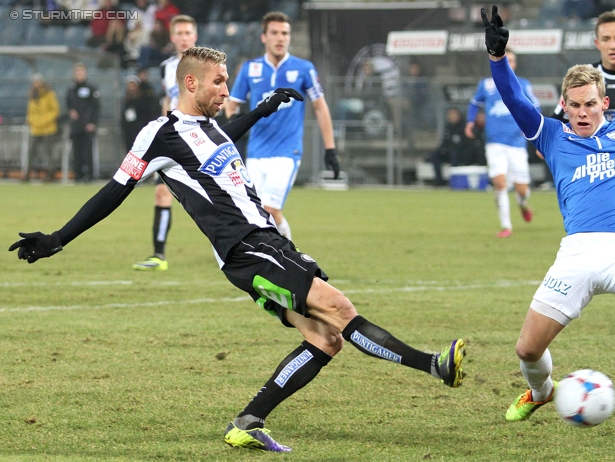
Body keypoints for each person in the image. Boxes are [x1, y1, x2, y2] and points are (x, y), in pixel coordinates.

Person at [8, 46, 467, 453]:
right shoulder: (160, 133)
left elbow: (229, 129)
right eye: (219, 81)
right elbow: (115, 190)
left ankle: (247, 421)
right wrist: (57, 239)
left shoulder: (211, 128)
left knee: (325, 338)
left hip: (269, 242)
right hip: (247, 248)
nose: (226, 88)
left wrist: (263, 110)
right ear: (190, 83)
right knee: (339, 308)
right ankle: (434, 365)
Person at [481, 5, 615, 422]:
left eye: (590, 104)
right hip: (577, 253)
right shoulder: (550, 135)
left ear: (604, 101)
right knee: (527, 350)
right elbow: (514, 98)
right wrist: (497, 59)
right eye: (575, 106)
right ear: (564, 106)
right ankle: (540, 392)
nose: (583, 112)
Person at [551, 10, 615, 343]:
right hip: (593, 180)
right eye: (606, 39)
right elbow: (558, 127)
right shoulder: (582, 83)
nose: (613, 45)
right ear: (597, 43)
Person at [224, 11, 340, 241]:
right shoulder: (250, 69)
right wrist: (237, 119)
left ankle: (289, 252)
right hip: (256, 152)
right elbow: (231, 106)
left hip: (287, 151)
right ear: (263, 37)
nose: (281, 38)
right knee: (256, 213)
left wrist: (331, 149)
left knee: (271, 209)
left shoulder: (304, 68)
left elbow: (320, 107)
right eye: (275, 33)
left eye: (285, 33)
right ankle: (274, 252)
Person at [132, 14, 198, 271]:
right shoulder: (167, 67)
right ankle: (158, 255)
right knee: (161, 193)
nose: (183, 37)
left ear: (195, 36)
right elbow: (168, 102)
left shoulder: (205, 65)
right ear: (172, 37)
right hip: (173, 140)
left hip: (198, 140)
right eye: (179, 33)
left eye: (187, 33)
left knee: (214, 199)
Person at [465, 48, 540, 238]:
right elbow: (475, 103)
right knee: (499, 183)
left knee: (521, 188)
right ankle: (506, 226)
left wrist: (530, 125)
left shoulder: (522, 84)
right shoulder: (487, 84)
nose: (509, 64)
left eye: (512, 61)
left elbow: (535, 106)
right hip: (494, 142)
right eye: (506, 60)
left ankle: (522, 203)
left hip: (516, 142)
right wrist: (470, 121)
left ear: (515, 64)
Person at [66, 62, 100, 183]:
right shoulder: (71, 89)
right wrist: (71, 111)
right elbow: (68, 104)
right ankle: (78, 175)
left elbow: (96, 107)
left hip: (87, 125)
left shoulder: (91, 88)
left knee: (88, 152)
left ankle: (90, 175)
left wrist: (92, 122)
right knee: (77, 152)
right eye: (77, 72)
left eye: (81, 72)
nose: (79, 74)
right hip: (76, 126)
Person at [25, 73, 60, 182]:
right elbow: (30, 112)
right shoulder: (32, 96)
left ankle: (50, 174)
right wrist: (33, 121)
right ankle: (27, 174)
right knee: (31, 153)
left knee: (48, 153)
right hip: (35, 129)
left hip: (47, 128)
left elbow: (55, 110)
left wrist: (44, 121)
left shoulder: (49, 94)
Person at [428, 107, 466, 186]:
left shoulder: (463, 127)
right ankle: (439, 181)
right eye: (450, 115)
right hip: (448, 152)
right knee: (435, 156)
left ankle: (454, 182)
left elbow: (465, 143)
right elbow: (444, 142)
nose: (451, 117)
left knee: (455, 156)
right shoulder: (448, 127)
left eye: (453, 115)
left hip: (461, 153)